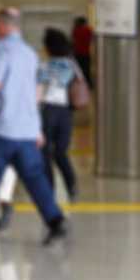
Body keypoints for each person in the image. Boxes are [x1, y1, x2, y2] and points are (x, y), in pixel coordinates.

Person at [0, 8, 68, 244]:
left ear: (2, 26)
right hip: (26, 129)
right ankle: (54, 218)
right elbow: (36, 92)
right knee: (35, 176)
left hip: (0, 129)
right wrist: (36, 129)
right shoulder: (30, 54)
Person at [37, 29, 82, 200]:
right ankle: (71, 185)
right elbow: (80, 82)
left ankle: (49, 189)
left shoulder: (44, 65)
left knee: (45, 152)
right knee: (61, 151)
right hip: (65, 112)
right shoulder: (72, 64)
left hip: (47, 110)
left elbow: (38, 90)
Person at [71, 16, 94, 88]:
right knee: (86, 69)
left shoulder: (75, 30)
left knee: (78, 70)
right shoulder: (88, 30)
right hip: (85, 53)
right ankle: (89, 84)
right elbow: (91, 38)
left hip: (77, 53)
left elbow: (73, 41)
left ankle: (80, 85)